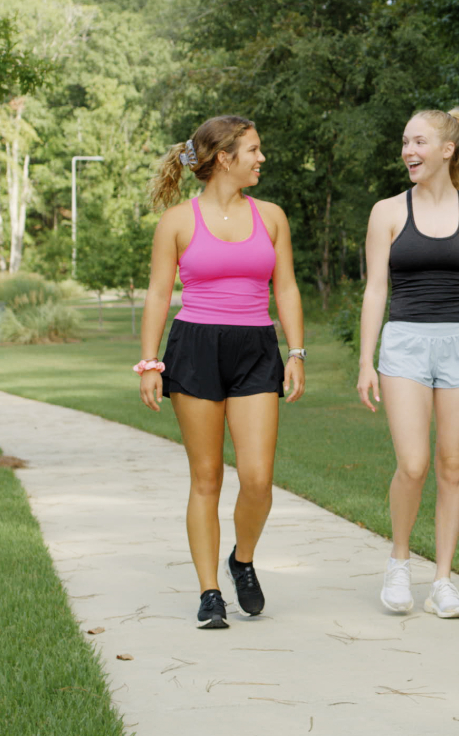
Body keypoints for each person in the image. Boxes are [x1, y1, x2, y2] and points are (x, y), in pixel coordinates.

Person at [138, 115, 305, 630]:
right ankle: (210, 592)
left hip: (256, 346)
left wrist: (296, 352)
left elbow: (287, 289)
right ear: (225, 158)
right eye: (254, 150)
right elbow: (160, 295)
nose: (261, 158)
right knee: (206, 477)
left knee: (257, 479)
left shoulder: (272, 217)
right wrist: (149, 362)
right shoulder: (177, 222)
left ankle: (242, 560)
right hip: (195, 348)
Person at [356, 108, 459, 619]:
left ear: (447, 149)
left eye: (419, 141)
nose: (408, 151)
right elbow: (375, 289)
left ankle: (443, 581)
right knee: (414, 463)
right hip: (403, 343)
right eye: (404, 141)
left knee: (452, 466)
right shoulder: (387, 212)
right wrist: (366, 360)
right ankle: (399, 562)